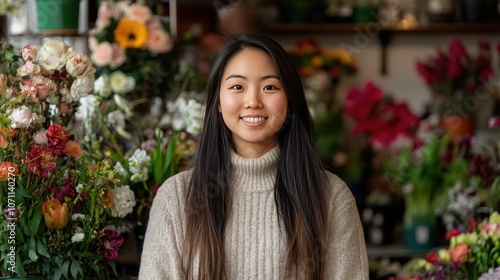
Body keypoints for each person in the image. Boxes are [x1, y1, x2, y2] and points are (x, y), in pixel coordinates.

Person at [138, 34, 368, 279]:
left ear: (290, 101)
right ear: (217, 101)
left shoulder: (330, 197)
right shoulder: (176, 199)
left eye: (269, 87)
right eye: (237, 87)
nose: (253, 101)